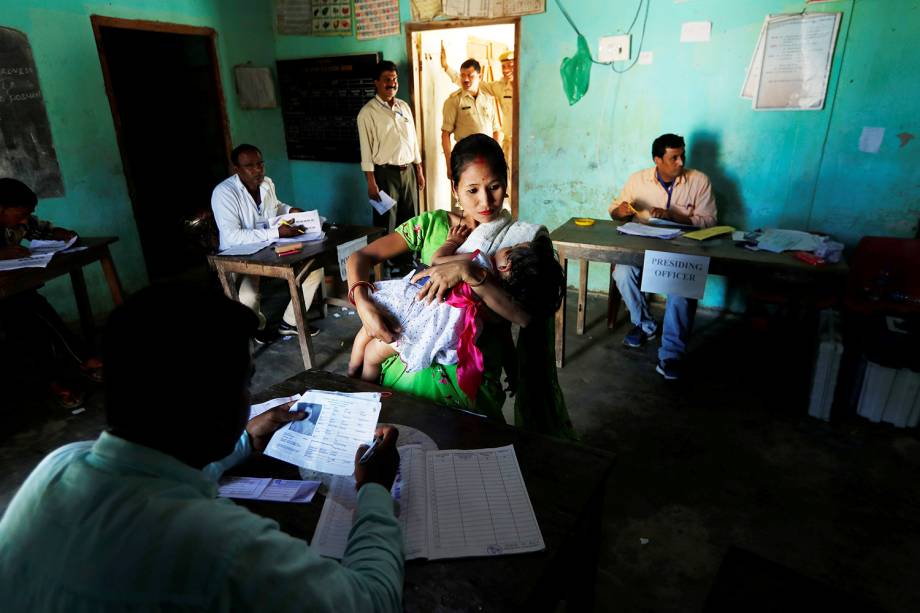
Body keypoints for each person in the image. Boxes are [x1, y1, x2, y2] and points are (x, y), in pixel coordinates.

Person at [0, 284, 404, 611]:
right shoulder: (221, 546)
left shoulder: (59, 465)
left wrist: (246, 440)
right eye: (246, 383)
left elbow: (156, 476)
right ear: (218, 403)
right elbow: (370, 600)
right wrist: (374, 490)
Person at [347, 134, 574, 438]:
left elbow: (526, 316)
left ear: (506, 183)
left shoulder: (522, 240)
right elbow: (361, 256)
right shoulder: (431, 226)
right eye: (472, 190)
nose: (485, 201)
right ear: (455, 188)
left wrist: (468, 273)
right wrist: (363, 304)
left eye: (494, 187)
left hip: (473, 377)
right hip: (407, 370)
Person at [348, 224, 564, 403]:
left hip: (418, 317)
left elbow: (437, 260)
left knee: (369, 345)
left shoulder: (478, 263)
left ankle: (358, 386)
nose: (484, 200)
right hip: (434, 331)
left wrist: (452, 245)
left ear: (506, 264)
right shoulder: (499, 295)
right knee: (372, 346)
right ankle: (362, 386)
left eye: (512, 247)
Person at [608, 133, 718, 380]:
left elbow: (710, 221)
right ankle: (645, 325)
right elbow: (615, 210)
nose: (680, 162)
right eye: (674, 157)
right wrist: (621, 211)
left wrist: (675, 216)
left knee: (682, 285)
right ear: (657, 160)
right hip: (642, 246)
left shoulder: (699, 181)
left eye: (682, 156)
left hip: (682, 249)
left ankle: (671, 354)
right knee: (623, 273)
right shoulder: (638, 180)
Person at [0, 178, 103, 410]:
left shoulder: (19, 222)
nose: (24, 220)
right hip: (10, 297)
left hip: (15, 293)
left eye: (28, 214)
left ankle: (58, 380)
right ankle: (81, 363)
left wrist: (58, 233)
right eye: (20, 214)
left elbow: (39, 228)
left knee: (29, 318)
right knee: (33, 311)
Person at [211, 143, 323, 338]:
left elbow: (275, 206)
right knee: (247, 297)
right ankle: (256, 327)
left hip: (267, 248)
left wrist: (289, 210)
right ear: (236, 169)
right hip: (237, 255)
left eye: (260, 164)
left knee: (313, 270)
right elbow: (232, 236)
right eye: (250, 166)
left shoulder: (267, 183)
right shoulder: (224, 193)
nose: (258, 170)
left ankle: (290, 322)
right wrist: (277, 233)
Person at [357, 61, 426, 235]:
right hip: (384, 175)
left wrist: (418, 169)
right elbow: (366, 151)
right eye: (387, 79)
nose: (392, 83)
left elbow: (413, 140)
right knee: (387, 221)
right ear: (376, 82)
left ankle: (409, 260)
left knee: (411, 220)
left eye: (394, 79)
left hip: (408, 172)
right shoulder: (367, 113)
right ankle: (388, 262)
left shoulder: (403, 106)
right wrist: (371, 183)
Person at [441, 45, 515, 168]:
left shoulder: (528, 85)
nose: (506, 70)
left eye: (510, 65)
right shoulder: (500, 87)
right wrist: (446, 67)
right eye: (504, 66)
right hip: (508, 142)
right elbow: (469, 82)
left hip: (527, 140)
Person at [440, 60, 500, 182]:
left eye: (470, 76)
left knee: (485, 198)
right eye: (462, 75)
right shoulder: (454, 101)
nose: (465, 79)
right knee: (465, 198)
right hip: (465, 161)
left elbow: (496, 130)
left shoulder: (488, 100)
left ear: (480, 76)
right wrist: (449, 164)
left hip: (486, 160)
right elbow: (445, 134)